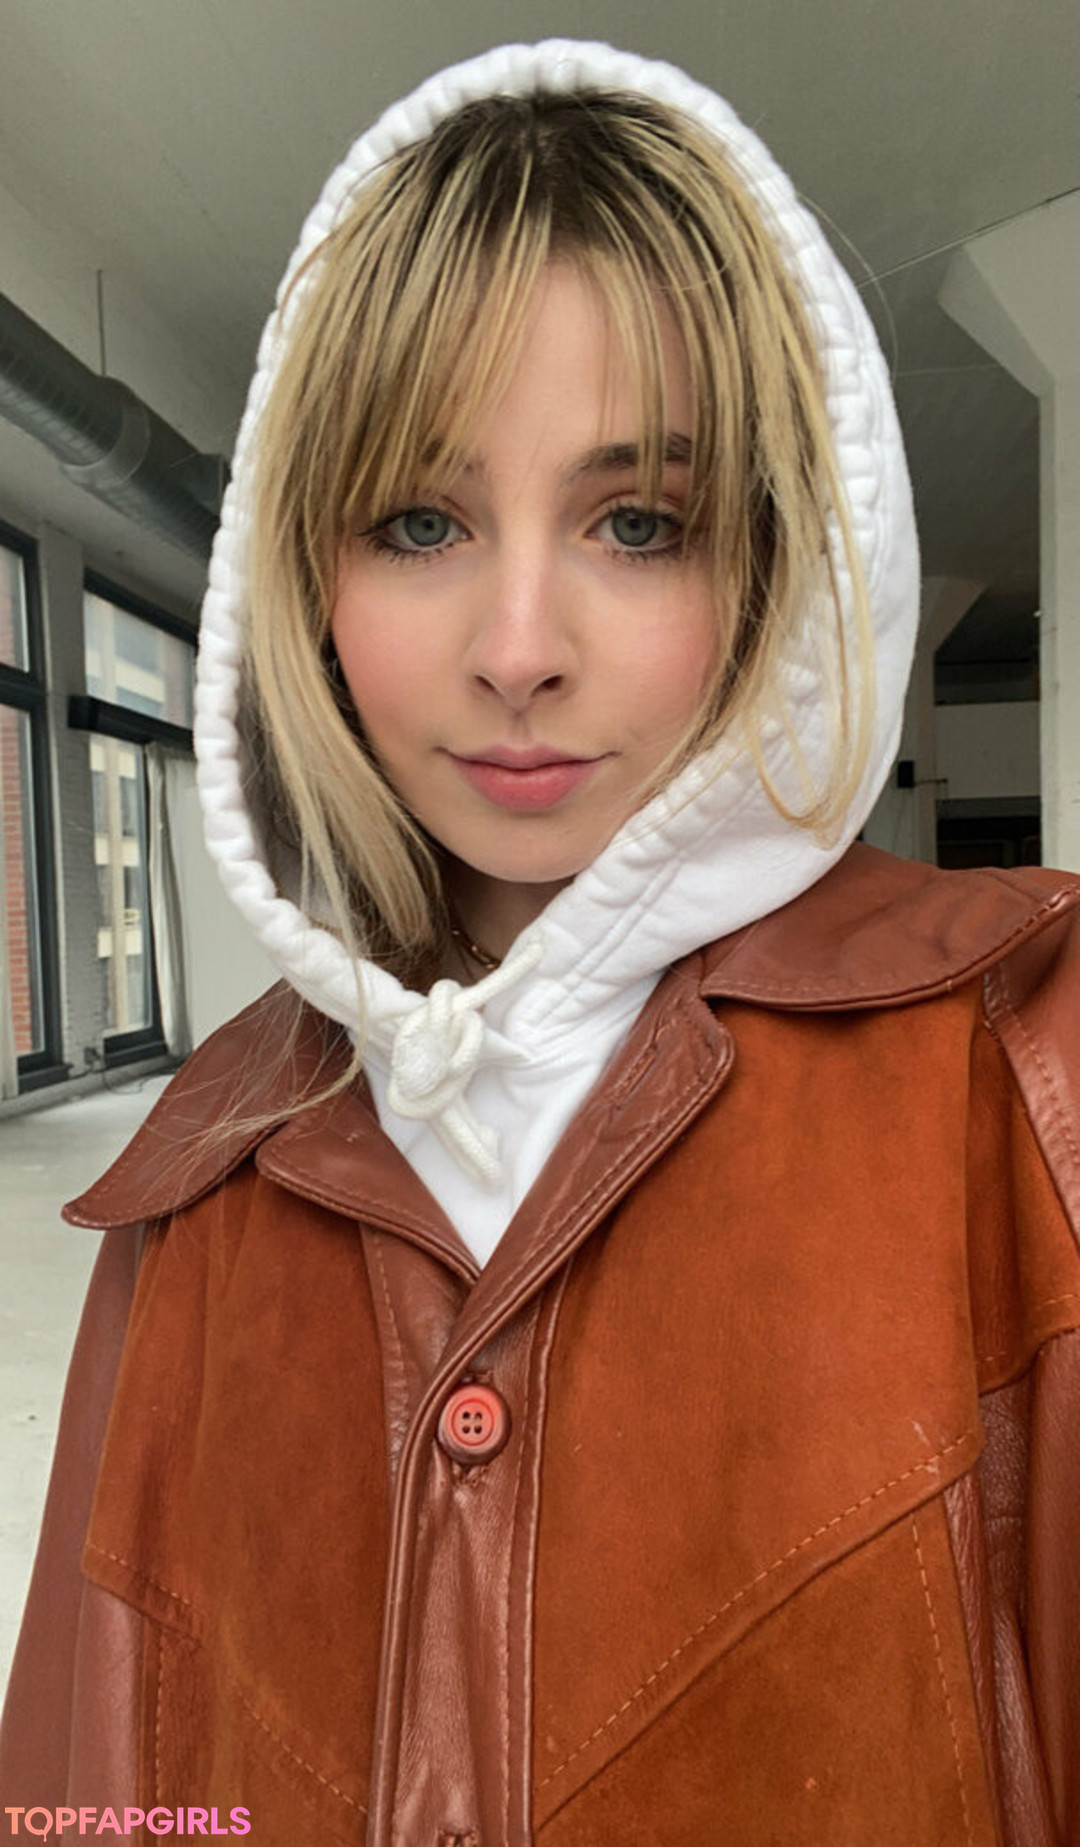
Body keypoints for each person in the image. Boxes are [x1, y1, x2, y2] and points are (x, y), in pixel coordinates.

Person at [2, 37, 1079, 1847]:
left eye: (636, 523)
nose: (517, 649)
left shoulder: (1025, 1067)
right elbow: (97, 1799)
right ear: (307, 577)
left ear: (774, 562)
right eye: (420, 521)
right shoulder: (203, 1167)